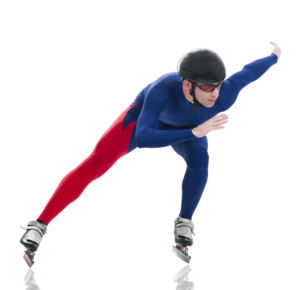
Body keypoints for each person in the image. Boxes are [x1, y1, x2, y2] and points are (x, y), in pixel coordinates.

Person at [20, 41, 282, 266]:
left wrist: (274, 55)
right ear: (188, 84)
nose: (214, 93)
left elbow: (249, 72)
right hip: (146, 121)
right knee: (97, 163)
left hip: (191, 128)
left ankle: (184, 222)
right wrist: (195, 132)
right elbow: (144, 138)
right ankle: (39, 225)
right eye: (206, 87)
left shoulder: (224, 94)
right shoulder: (163, 89)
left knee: (201, 159)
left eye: (217, 85)